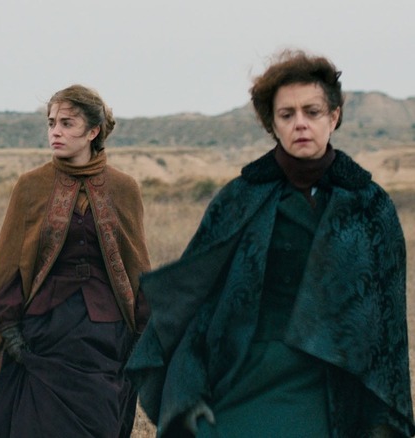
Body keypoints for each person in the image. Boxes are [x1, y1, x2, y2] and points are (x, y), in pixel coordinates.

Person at [126, 50, 415, 437]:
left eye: (312, 112)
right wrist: (189, 394)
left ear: (334, 116)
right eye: (286, 114)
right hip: (243, 376)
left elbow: (388, 324)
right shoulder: (240, 197)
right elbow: (197, 305)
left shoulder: (369, 203)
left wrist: (383, 421)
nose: (300, 124)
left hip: (330, 385)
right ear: (272, 124)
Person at [0, 84, 151, 437]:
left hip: (104, 329)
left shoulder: (123, 188)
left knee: (99, 420)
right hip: (45, 326)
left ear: (93, 131)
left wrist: (144, 329)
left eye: (67, 123)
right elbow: (8, 262)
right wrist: (8, 325)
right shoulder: (32, 185)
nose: (56, 132)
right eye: (52, 123)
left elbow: (137, 264)